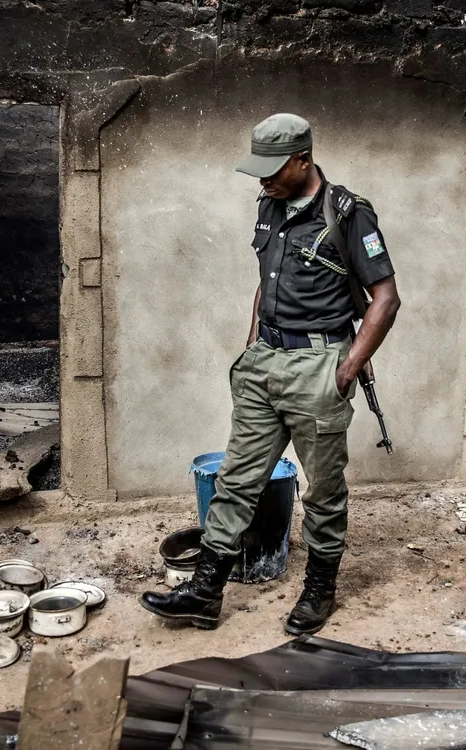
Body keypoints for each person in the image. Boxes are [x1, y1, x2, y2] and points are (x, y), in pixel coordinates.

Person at [139, 112, 401, 634]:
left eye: (271, 168)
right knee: (237, 479)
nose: (261, 178)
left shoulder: (347, 213)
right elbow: (268, 278)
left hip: (317, 366)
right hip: (265, 364)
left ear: (302, 159)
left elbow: (386, 299)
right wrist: (254, 336)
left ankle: (319, 592)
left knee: (322, 491)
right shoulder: (268, 203)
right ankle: (205, 592)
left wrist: (347, 367)